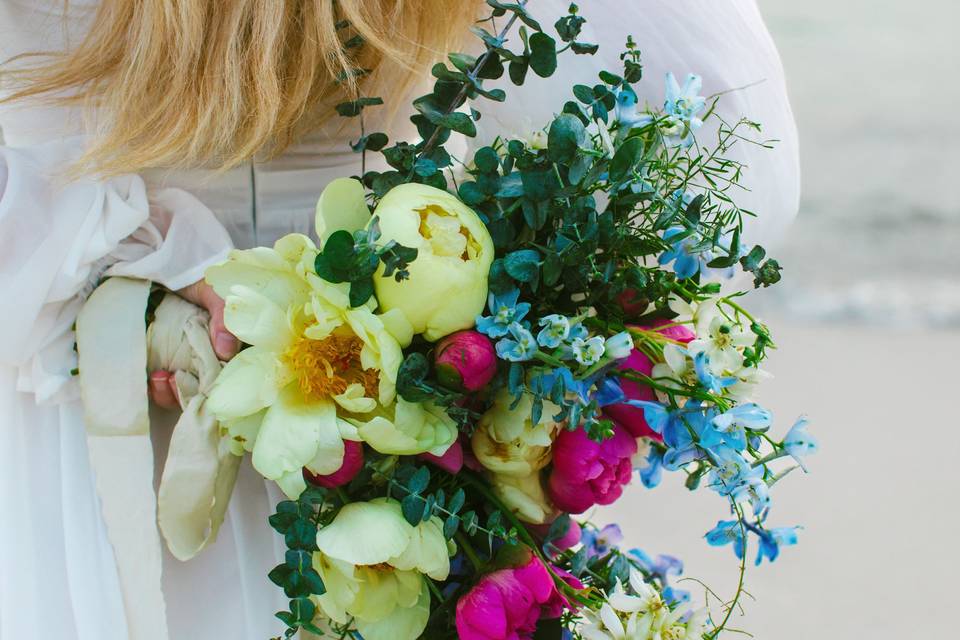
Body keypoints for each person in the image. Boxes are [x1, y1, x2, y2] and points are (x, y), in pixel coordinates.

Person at [0, 1, 799, 638]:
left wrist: (114, 272)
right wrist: (527, 301)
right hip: (416, 452)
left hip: (112, 423)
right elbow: (731, 146)